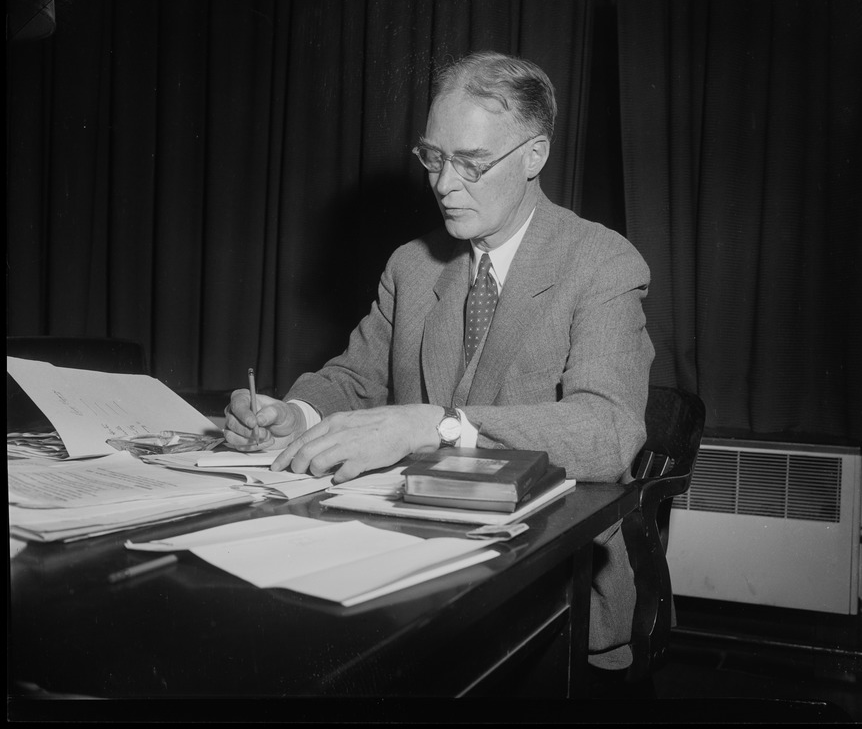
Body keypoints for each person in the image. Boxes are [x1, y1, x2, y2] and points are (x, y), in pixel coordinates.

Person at [224, 51, 655, 671]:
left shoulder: (602, 264)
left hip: (552, 587)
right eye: (434, 157)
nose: (445, 184)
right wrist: (296, 414)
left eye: (473, 163)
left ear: (535, 156)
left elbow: (608, 431)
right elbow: (353, 378)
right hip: (410, 552)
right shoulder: (412, 265)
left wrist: (440, 425)